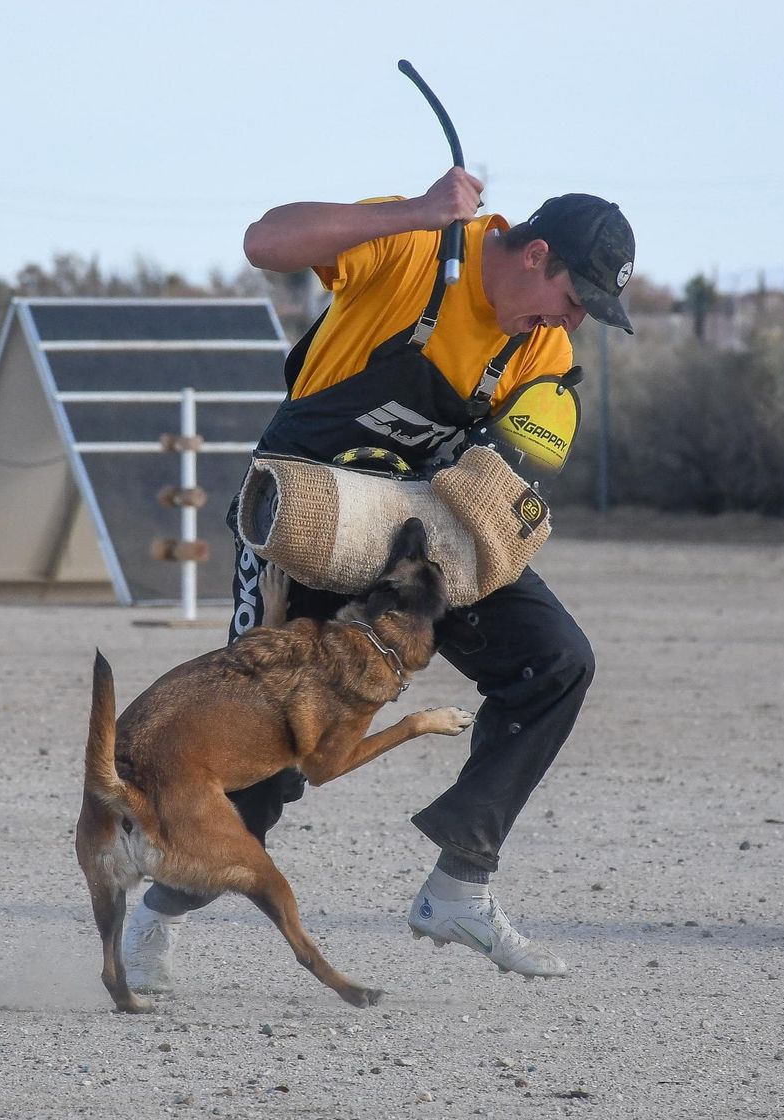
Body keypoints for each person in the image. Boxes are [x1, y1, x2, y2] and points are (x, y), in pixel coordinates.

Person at [122, 168, 636, 991]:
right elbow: (264, 242)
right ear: (535, 255)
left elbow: (514, 465)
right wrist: (419, 210)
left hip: (414, 531)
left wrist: (508, 511)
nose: (574, 322)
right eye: (575, 298)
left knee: (556, 660)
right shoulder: (420, 249)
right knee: (266, 767)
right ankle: (151, 918)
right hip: (302, 513)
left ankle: (460, 885)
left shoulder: (544, 349)